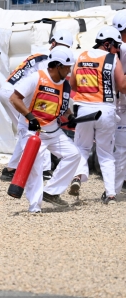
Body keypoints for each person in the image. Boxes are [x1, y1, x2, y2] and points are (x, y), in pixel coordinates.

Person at [8, 46, 80, 213]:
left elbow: (62, 107)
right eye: (67, 67)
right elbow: (14, 98)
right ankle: (35, 207)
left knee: (74, 155)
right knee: (36, 165)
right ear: (57, 66)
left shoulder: (65, 85)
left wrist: (70, 117)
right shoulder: (36, 78)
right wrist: (30, 117)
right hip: (31, 129)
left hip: (51, 129)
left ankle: (51, 192)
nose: (69, 71)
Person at [0, 29, 74, 182]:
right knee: (38, 127)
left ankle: (11, 169)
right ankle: (44, 170)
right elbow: (45, 85)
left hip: (8, 89)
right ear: (54, 44)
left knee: (26, 132)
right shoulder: (49, 60)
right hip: (17, 94)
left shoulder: (40, 54)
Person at [67, 26, 126, 205]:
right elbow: (122, 85)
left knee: (81, 148)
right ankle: (110, 194)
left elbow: (73, 85)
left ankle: (77, 177)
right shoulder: (112, 58)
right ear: (107, 44)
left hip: (83, 109)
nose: (118, 50)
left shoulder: (82, 55)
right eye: (116, 46)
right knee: (106, 153)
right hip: (105, 110)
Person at [112, 12, 126, 198]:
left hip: (116, 103)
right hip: (121, 103)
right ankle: (113, 189)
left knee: (119, 148)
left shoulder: (114, 49)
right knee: (121, 149)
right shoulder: (122, 49)